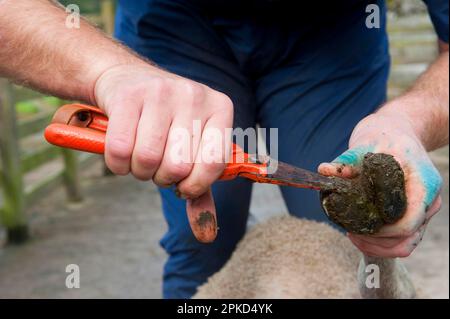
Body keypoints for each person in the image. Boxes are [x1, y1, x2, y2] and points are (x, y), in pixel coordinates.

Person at [0, 0, 448, 298]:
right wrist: (106, 72)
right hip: (174, 24)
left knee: (352, 237)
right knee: (203, 245)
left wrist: (408, 121)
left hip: (330, 37)